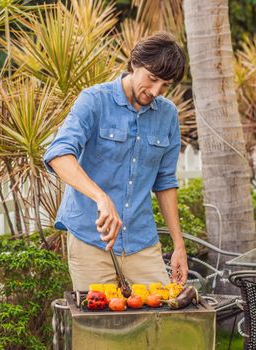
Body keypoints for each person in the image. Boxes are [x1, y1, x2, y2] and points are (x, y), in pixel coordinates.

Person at [43, 32, 188, 291]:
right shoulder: (94, 101)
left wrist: (178, 245)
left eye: (165, 85)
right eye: (152, 79)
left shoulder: (168, 115)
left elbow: (165, 181)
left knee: (161, 322)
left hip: (141, 241)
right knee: (100, 326)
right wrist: (101, 198)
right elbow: (58, 154)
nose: (156, 91)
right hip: (91, 239)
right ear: (134, 63)